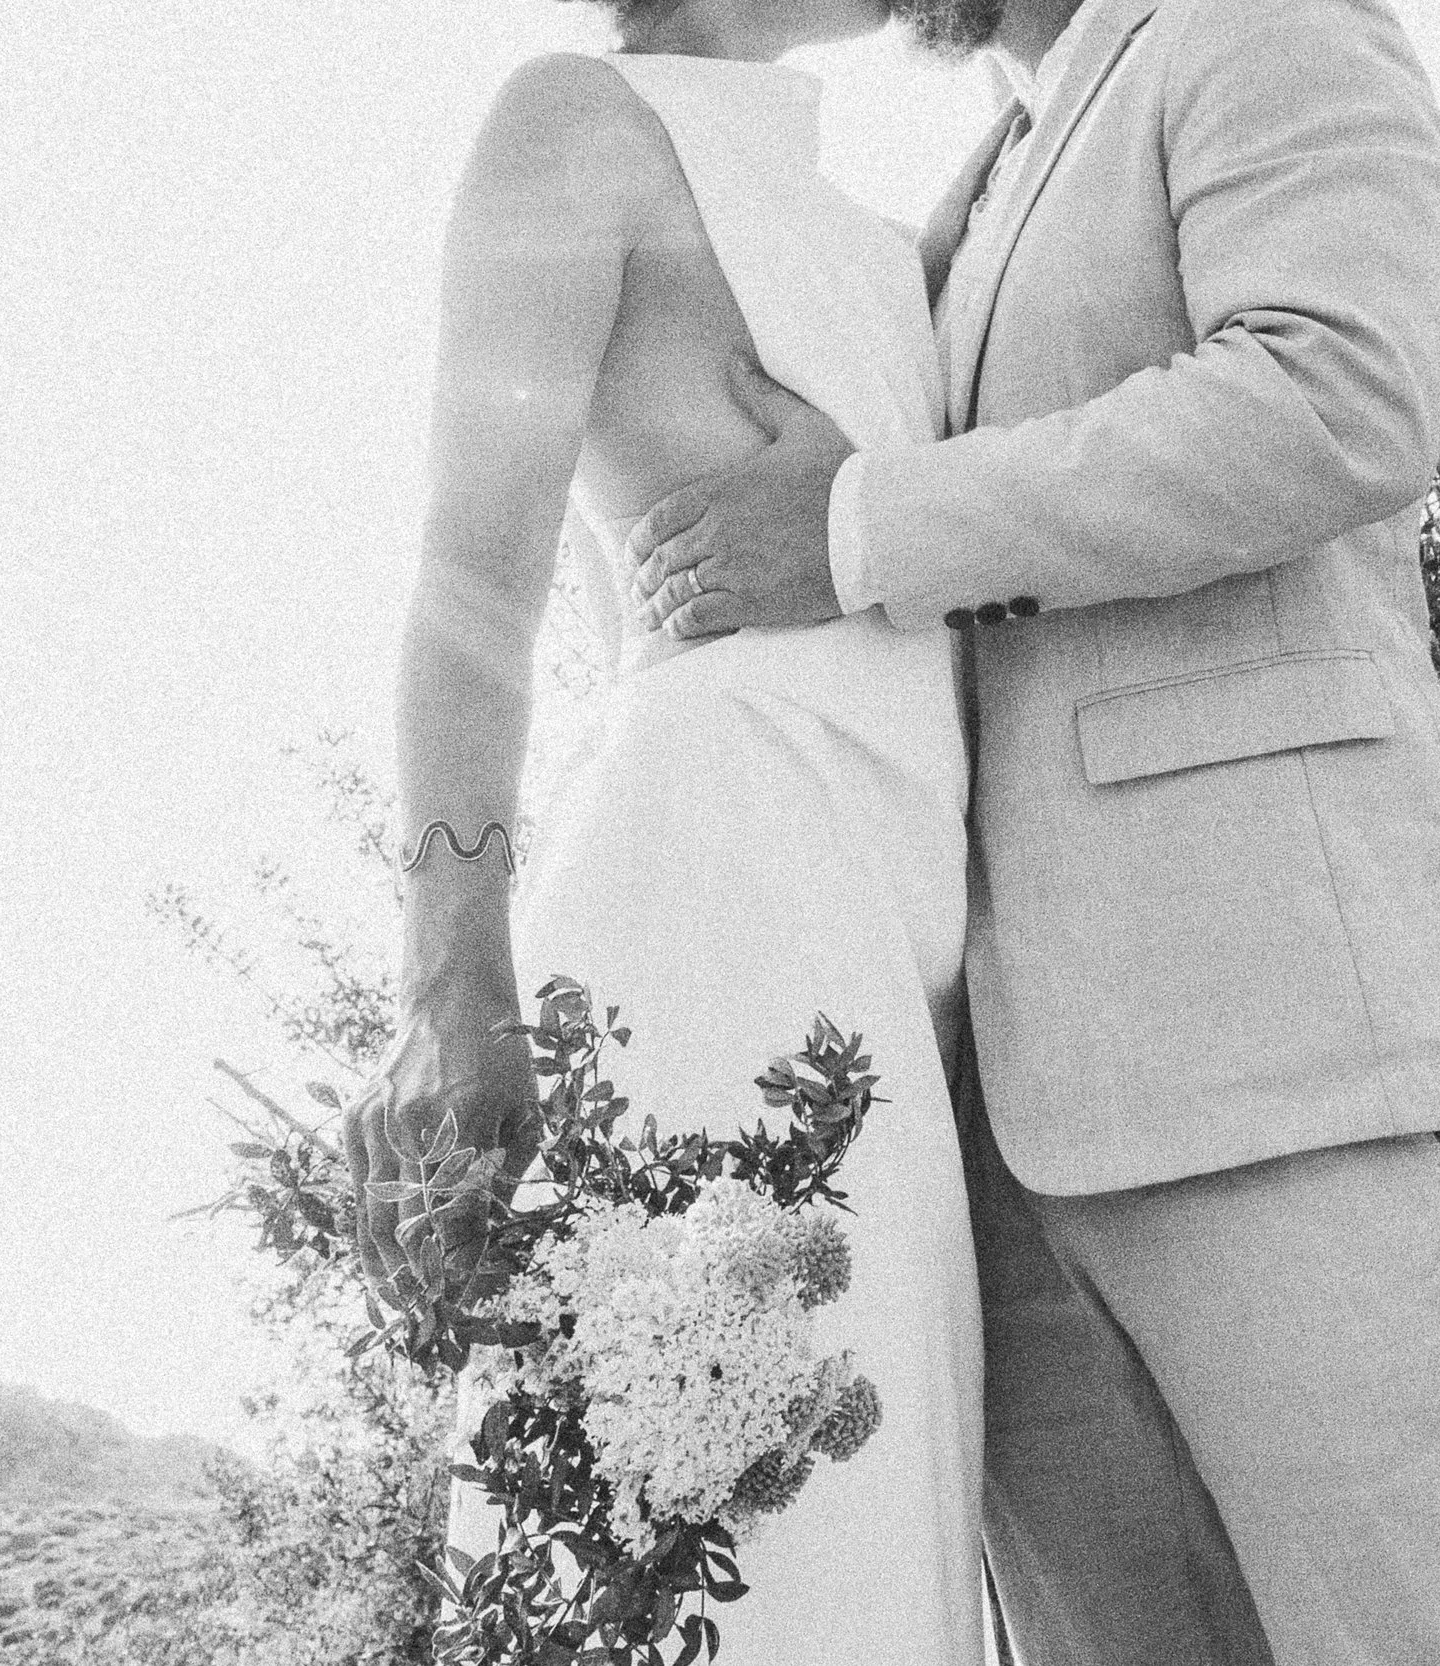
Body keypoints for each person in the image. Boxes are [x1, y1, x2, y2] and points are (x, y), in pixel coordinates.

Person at [617, 0, 1440, 1656]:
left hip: (1288, 1064)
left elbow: (1337, 393)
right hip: (992, 1151)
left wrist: (861, 522)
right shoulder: (975, 180)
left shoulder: (1262, 25)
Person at [338, 0, 992, 1659]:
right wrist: (450, 979)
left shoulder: (896, 234)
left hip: (897, 976)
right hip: (711, 896)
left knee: (869, 1550)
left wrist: (872, 510)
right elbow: (472, 573)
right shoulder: (575, 126)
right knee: (734, 1560)